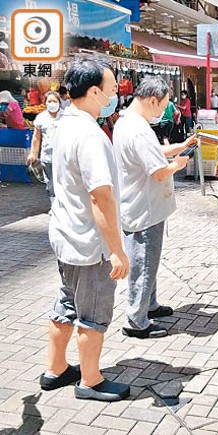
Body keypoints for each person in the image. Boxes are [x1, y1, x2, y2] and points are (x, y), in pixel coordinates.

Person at [41, 57, 131, 402]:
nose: (115, 94)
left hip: (65, 235)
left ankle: (56, 368)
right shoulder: (90, 134)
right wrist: (116, 251)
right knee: (93, 314)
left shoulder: (62, 123)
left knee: (66, 302)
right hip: (87, 242)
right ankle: (90, 380)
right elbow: (101, 198)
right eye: (111, 89)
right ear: (94, 91)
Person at [113, 76, 197, 339]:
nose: (163, 112)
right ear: (152, 100)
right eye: (162, 107)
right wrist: (179, 164)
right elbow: (159, 171)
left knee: (148, 261)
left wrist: (181, 146)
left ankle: (149, 305)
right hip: (143, 209)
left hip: (142, 206)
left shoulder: (128, 122)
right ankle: (136, 321)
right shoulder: (137, 129)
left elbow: (155, 154)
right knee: (144, 263)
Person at [27, 91, 63, 201]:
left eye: (55, 101)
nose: (52, 103)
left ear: (59, 102)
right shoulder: (41, 118)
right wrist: (33, 153)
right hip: (47, 157)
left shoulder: (66, 116)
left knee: (64, 183)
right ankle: (54, 205)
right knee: (50, 183)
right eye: (49, 101)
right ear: (45, 103)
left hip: (63, 157)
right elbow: (36, 137)